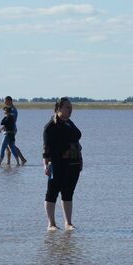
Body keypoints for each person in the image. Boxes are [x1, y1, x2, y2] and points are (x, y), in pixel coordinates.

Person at [42, 97, 82, 231]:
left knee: (68, 193)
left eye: (71, 107)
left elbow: (76, 142)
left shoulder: (70, 123)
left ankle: (68, 223)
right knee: (52, 193)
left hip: (73, 164)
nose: (70, 110)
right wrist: (45, 164)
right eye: (67, 107)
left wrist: (80, 160)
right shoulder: (51, 126)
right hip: (57, 164)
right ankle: (51, 224)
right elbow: (46, 148)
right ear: (59, 108)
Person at [3, 96, 27, 165]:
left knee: (11, 145)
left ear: (9, 101)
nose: (4, 102)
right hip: (8, 129)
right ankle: (8, 162)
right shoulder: (9, 109)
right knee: (7, 145)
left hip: (12, 130)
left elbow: (11, 120)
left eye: (5, 101)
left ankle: (22, 159)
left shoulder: (13, 110)